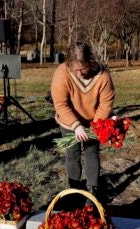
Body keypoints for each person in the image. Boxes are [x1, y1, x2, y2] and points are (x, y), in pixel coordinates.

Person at [51, 41, 115, 202]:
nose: (79, 74)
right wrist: (76, 126)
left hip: (94, 122)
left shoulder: (103, 75)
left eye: (83, 69)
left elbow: (106, 104)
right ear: (68, 64)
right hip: (69, 122)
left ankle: (92, 191)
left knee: (91, 152)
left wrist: (95, 125)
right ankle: (74, 190)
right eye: (75, 70)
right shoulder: (61, 73)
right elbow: (60, 104)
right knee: (72, 154)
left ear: (90, 61)